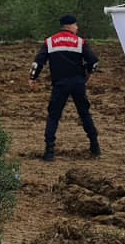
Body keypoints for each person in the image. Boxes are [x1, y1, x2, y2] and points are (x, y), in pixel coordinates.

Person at [29, 13, 101, 161]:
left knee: (54, 116)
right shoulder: (80, 42)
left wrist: (33, 78)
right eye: (76, 25)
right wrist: (89, 74)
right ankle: (95, 146)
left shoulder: (50, 42)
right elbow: (94, 61)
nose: (77, 28)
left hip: (60, 84)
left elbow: (38, 62)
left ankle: (49, 151)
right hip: (78, 83)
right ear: (70, 26)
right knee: (84, 114)